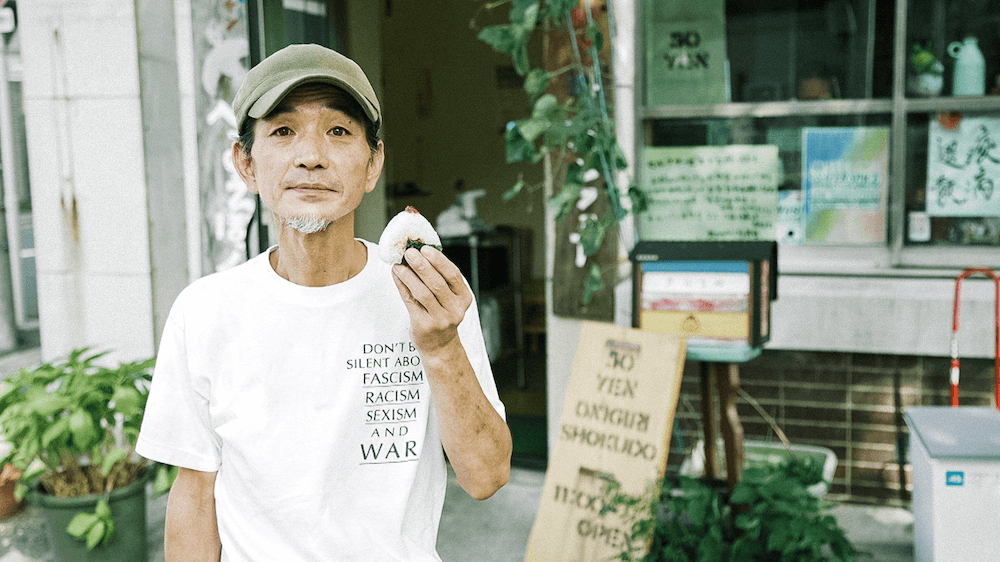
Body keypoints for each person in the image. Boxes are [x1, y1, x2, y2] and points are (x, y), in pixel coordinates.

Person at [136, 43, 512, 562]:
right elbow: (196, 495)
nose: (311, 156)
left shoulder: (428, 298)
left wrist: (443, 348)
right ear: (245, 163)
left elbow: (487, 476)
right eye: (283, 131)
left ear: (373, 162)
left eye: (338, 131)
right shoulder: (204, 312)